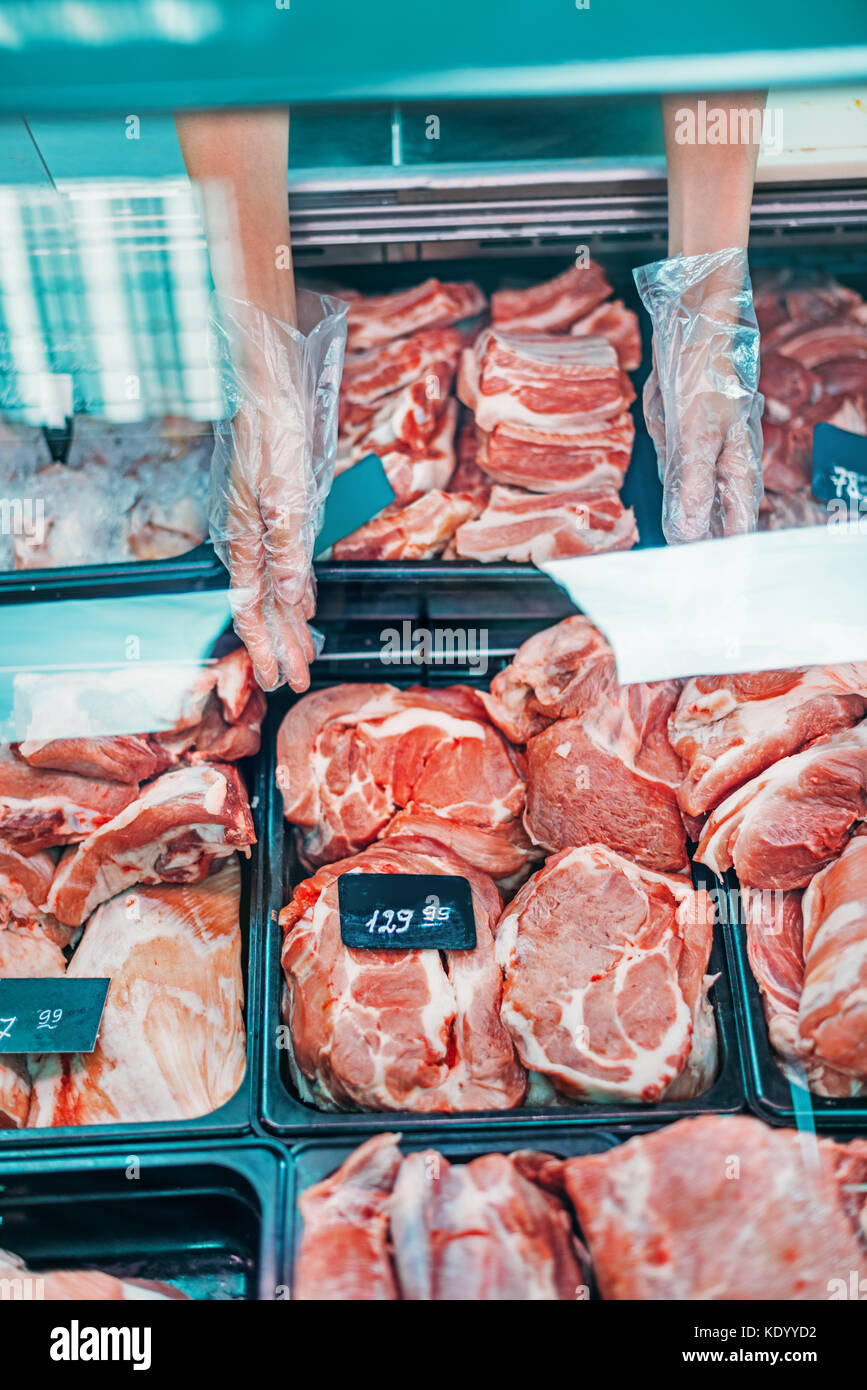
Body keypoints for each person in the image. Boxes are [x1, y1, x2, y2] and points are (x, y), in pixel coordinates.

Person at [176, 91, 767, 690]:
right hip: (314, 132)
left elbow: (715, 33)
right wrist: (264, 377)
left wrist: (709, 322)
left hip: (616, 117)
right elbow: (227, 41)